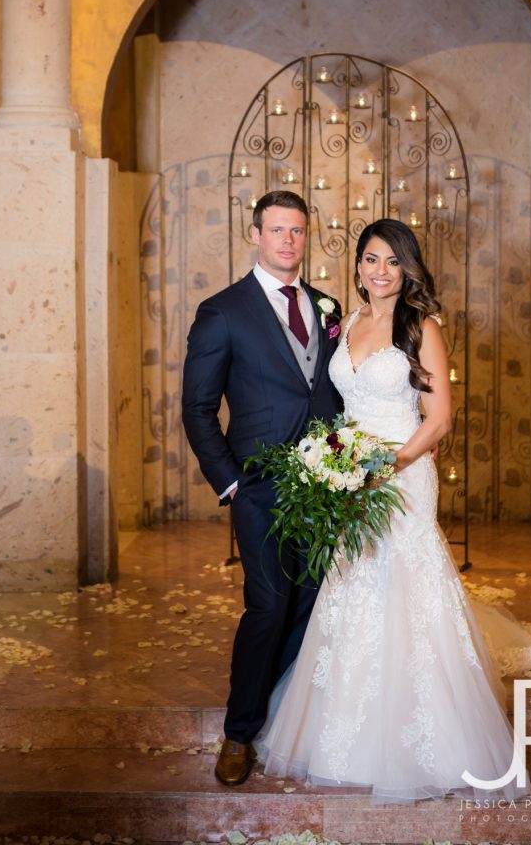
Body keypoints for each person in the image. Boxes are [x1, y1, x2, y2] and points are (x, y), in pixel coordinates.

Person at [255, 217, 531, 804]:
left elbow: (439, 420)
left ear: (407, 270)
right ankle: (346, 735)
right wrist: (332, 465)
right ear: (357, 266)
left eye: (392, 261)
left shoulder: (420, 327)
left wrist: (381, 468)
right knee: (352, 585)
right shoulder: (345, 321)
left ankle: (429, 738)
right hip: (346, 477)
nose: (380, 271)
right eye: (370, 259)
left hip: (401, 477)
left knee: (406, 586)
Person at [182, 189, 343, 787]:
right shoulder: (222, 312)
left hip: (327, 487)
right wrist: (229, 483)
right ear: (255, 235)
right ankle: (239, 733)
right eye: (277, 230)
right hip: (259, 488)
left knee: (311, 604)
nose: (288, 241)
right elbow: (197, 408)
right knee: (269, 604)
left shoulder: (328, 305)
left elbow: (331, 391)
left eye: (297, 231)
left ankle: (282, 715)